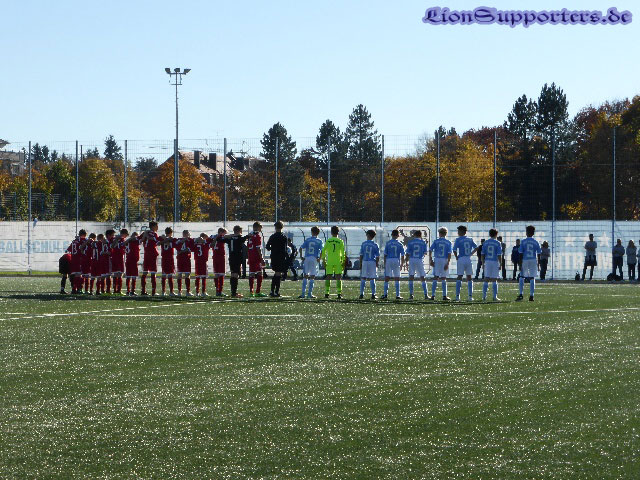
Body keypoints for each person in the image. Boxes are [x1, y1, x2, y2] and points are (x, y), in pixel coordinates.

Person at [516, 225, 541, 302]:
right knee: (532, 277)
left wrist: (520, 263)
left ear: (526, 232)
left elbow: (520, 253)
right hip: (533, 260)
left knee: (521, 277)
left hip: (525, 260)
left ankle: (521, 294)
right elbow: (539, 253)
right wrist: (538, 264)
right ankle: (531, 296)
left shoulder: (523, 241)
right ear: (533, 233)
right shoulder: (536, 242)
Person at [452, 225, 477, 302]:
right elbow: (476, 247)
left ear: (462, 231)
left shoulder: (458, 239)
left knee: (459, 276)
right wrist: (471, 254)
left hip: (461, 258)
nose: (458, 232)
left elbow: (454, 250)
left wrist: (456, 257)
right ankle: (470, 296)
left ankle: (457, 296)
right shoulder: (470, 239)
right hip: (468, 259)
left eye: (459, 231)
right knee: (469, 277)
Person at [321, 226, 346, 299]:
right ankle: (339, 293)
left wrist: (324, 260)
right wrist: (343, 261)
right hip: (338, 261)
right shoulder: (340, 241)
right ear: (338, 232)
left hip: (330, 261)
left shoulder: (328, 241)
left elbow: (323, 251)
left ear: (331, 232)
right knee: (338, 277)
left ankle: (326, 293)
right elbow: (343, 252)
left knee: (328, 276)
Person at [298, 226, 323, 299]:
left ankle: (303, 294)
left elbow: (300, 248)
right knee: (312, 276)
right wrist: (319, 258)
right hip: (314, 258)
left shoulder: (308, 240)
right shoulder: (319, 241)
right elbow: (322, 251)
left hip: (307, 258)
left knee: (305, 275)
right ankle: (309, 294)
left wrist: (301, 256)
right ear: (318, 233)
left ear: (312, 232)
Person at [429, 227, 452, 301]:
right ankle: (444, 296)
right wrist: (447, 263)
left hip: (437, 259)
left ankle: (433, 295)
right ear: (446, 233)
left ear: (439, 233)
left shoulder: (436, 241)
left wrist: (430, 260)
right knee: (443, 278)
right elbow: (449, 253)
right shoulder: (448, 242)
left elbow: (430, 250)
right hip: (444, 260)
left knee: (435, 277)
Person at [404, 230, 429, 300]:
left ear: (414, 235)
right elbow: (425, 253)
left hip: (412, 259)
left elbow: (408, 253)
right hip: (419, 259)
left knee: (411, 276)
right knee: (422, 277)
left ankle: (411, 294)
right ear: (420, 235)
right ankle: (426, 295)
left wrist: (406, 260)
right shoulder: (423, 242)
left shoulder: (411, 242)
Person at [266, 221, 288, 297]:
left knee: (276, 273)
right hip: (281, 257)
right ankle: (276, 291)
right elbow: (285, 249)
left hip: (274, 256)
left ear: (275, 227)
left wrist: (273, 248)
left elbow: (267, 247)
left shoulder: (272, 236)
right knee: (278, 274)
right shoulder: (284, 237)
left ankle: (272, 290)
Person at [382, 229, 405, 300]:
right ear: (398, 235)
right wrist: (402, 264)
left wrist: (385, 262)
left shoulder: (388, 243)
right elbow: (402, 255)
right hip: (396, 260)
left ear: (391, 235)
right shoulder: (400, 244)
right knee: (397, 278)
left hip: (389, 260)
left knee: (387, 277)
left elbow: (385, 254)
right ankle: (397, 295)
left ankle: (385, 294)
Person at [227, 225, 248, 298]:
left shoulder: (230, 238)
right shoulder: (240, 238)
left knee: (233, 274)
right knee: (236, 274)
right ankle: (234, 293)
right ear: (239, 231)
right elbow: (245, 237)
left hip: (231, 257)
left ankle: (233, 292)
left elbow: (221, 238)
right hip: (237, 258)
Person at [481, 229, 502, 302]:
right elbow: (499, 254)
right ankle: (494, 297)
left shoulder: (485, 242)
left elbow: (482, 254)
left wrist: (483, 263)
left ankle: (484, 296)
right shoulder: (498, 243)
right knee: (494, 279)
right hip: (494, 261)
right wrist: (500, 263)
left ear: (489, 234)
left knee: (486, 278)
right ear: (496, 234)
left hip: (487, 261)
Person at [247, 222, 267, 297]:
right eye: (260, 227)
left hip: (251, 256)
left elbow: (248, 247)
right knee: (259, 273)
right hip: (256, 257)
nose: (261, 229)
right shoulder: (257, 236)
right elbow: (258, 248)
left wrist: (249, 257)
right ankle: (258, 291)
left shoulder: (250, 235)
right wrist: (262, 258)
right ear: (257, 227)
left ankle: (251, 292)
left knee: (251, 273)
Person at [359, 230, 380, 299]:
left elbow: (361, 255)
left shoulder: (363, 244)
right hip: (372, 262)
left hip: (365, 261)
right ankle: (373, 294)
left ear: (368, 235)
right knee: (372, 278)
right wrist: (376, 263)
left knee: (363, 277)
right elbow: (378, 256)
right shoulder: (375, 244)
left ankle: (361, 294)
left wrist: (360, 263)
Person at [140, 222, 160, 295]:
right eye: (157, 226)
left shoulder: (144, 233)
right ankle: (153, 292)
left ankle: (143, 291)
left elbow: (139, 240)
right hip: (153, 254)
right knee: (153, 273)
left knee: (145, 272)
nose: (157, 227)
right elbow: (157, 242)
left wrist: (145, 235)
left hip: (146, 255)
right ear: (153, 226)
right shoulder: (154, 234)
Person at [174, 230, 195, 296]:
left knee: (180, 274)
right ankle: (187, 292)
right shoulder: (190, 240)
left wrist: (181, 251)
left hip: (180, 259)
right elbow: (191, 249)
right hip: (186, 259)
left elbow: (175, 246)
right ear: (186, 234)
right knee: (187, 275)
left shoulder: (178, 240)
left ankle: (179, 292)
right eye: (188, 234)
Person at [210, 227, 228, 296]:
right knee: (221, 274)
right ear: (221, 232)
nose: (225, 234)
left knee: (216, 274)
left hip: (215, 257)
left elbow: (211, 244)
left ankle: (217, 290)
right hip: (220, 257)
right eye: (224, 233)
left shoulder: (212, 237)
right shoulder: (221, 237)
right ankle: (220, 291)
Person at [68, 229, 87, 294]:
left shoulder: (74, 241)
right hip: (79, 259)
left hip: (73, 259)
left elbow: (69, 250)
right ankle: (79, 289)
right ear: (85, 234)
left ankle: (74, 289)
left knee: (76, 275)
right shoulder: (82, 240)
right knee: (80, 275)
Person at [110, 229, 128, 295]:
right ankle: (117, 290)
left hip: (116, 258)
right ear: (124, 234)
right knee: (119, 274)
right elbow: (112, 246)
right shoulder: (117, 239)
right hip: (118, 258)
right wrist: (116, 239)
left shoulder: (121, 239)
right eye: (126, 235)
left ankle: (116, 290)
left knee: (117, 274)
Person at [159, 227, 176, 296]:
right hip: (169, 258)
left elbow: (158, 243)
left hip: (164, 258)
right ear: (171, 233)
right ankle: (171, 292)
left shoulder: (162, 238)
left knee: (164, 274)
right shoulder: (172, 239)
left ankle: (163, 292)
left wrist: (164, 239)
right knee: (169, 275)